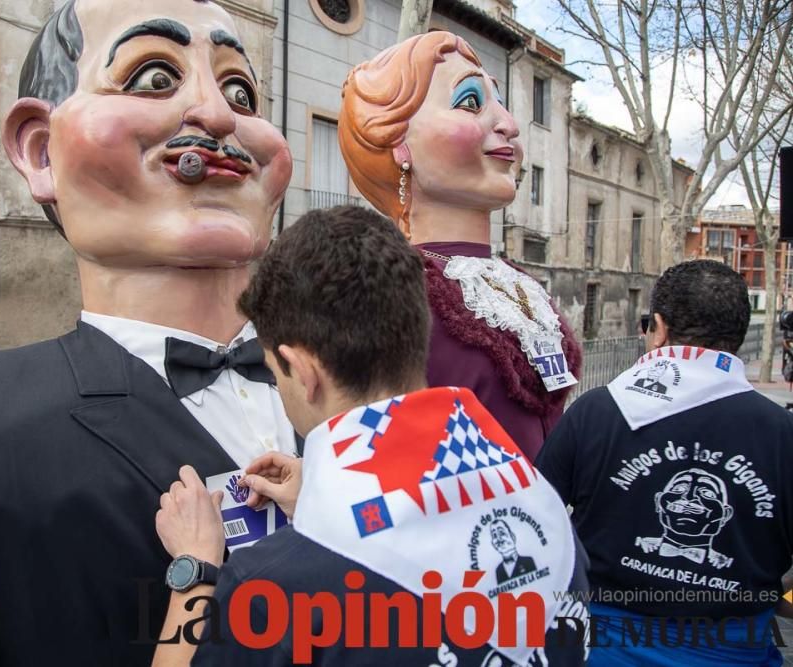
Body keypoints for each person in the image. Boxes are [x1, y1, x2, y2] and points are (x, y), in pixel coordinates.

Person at [0, 1, 295, 664]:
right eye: (154, 78)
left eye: (240, 91)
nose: (219, 116)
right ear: (41, 150)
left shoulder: (340, 390)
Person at [152, 206, 590, 666]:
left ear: (302, 372)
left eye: (272, 371)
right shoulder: (545, 508)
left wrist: (196, 569)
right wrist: (330, 498)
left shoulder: (268, 592)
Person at [535, 259, 793, 666]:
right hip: (734, 651)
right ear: (739, 336)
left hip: (600, 649)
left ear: (658, 327)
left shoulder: (596, 411)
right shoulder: (782, 432)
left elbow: (534, 521)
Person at [337, 32, 581, 461]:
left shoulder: (518, 285)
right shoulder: (386, 297)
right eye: (470, 102)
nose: (508, 124)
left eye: (499, 103)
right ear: (399, 144)